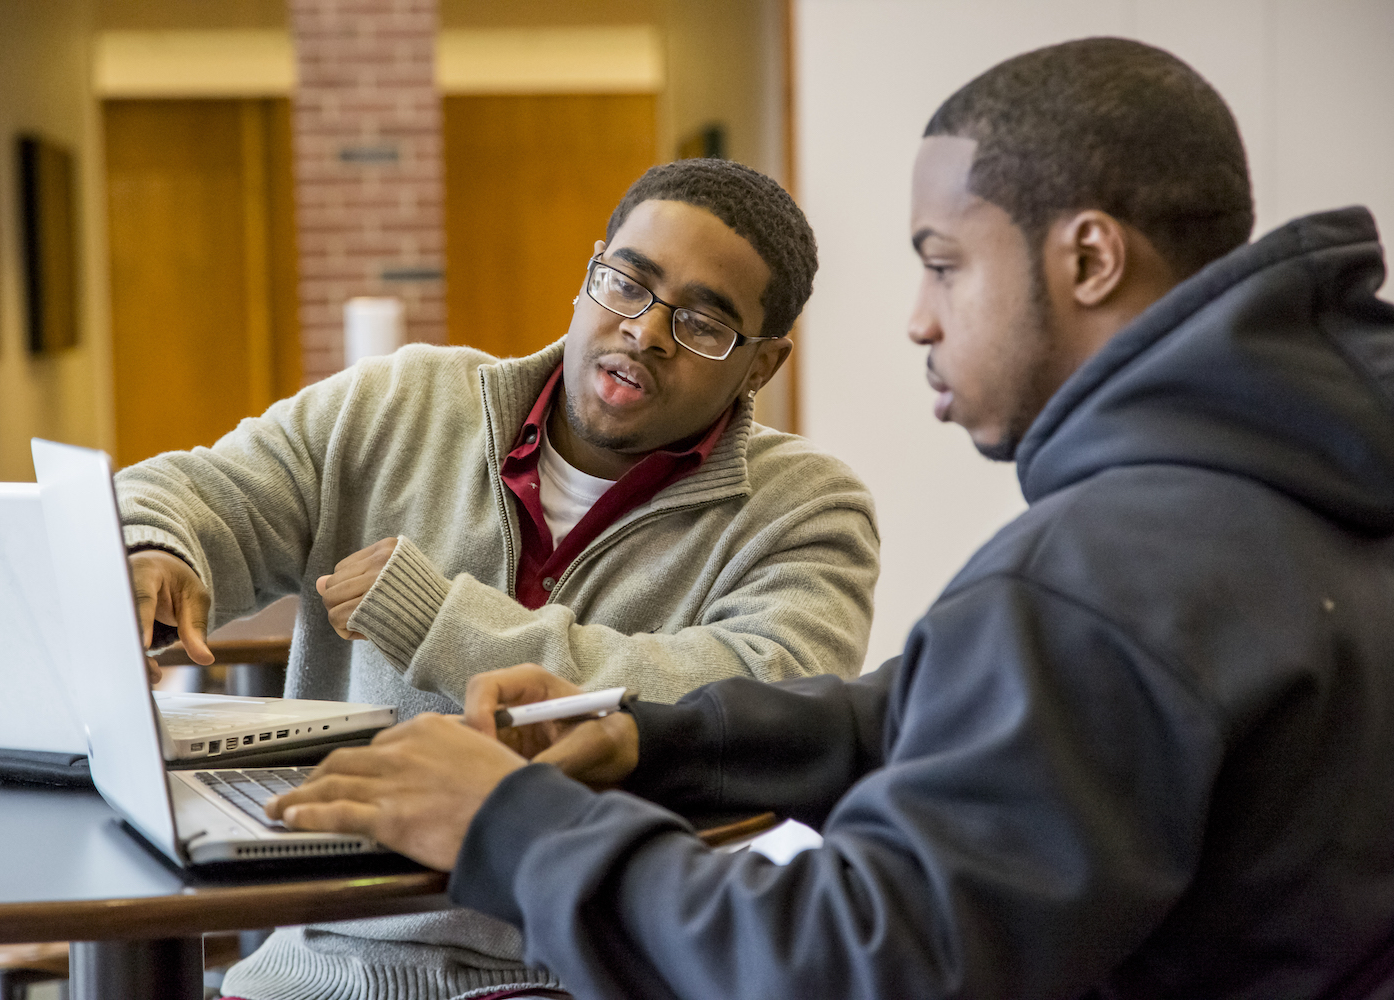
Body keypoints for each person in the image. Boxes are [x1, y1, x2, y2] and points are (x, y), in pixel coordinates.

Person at [266, 37, 1394, 999]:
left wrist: (508, 822)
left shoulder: (1102, 575)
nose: (918, 320)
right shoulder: (1293, 495)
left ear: (1089, 258)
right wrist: (661, 737)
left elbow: (851, 961)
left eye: (944, 265)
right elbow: (942, 712)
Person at [117, 157, 879, 999]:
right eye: (627, 283)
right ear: (589, 276)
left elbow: (763, 698)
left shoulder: (806, 507)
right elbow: (187, 491)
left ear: (762, 366)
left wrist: (439, 621)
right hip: (320, 968)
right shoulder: (399, 404)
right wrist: (155, 547)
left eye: (703, 323)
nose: (646, 332)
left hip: (581, 972)